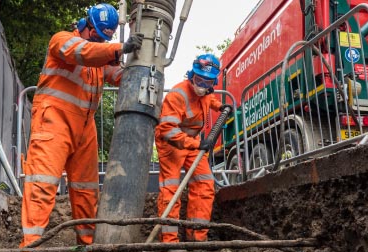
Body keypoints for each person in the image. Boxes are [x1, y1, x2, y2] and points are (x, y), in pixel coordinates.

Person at [20, 3, 144, 247]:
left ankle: (86, 244)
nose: (99, 42)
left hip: (85, 127)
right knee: (42, 185)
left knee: (87, 191)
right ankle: (30, 243)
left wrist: (140, 66)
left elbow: (118, 75)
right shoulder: (63, 40)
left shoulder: (99, 54)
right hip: (54, 119)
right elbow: (83, 52)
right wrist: (119, 48)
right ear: (84, 26)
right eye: (96, 36)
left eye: (102, 39)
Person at [154, 54, 232, 247]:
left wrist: (221, 106)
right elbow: (167, 130)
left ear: (213, 82)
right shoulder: (177, 95)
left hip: (193, 144)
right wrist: (196, 144)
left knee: (205, 184)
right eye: (198, 80)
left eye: (207, 82)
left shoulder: (205, 93)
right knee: (171, 190)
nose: (202, 85)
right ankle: (170, 243)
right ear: (191, 75)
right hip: (171, 144)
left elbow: (209, 100)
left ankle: (197, 239)